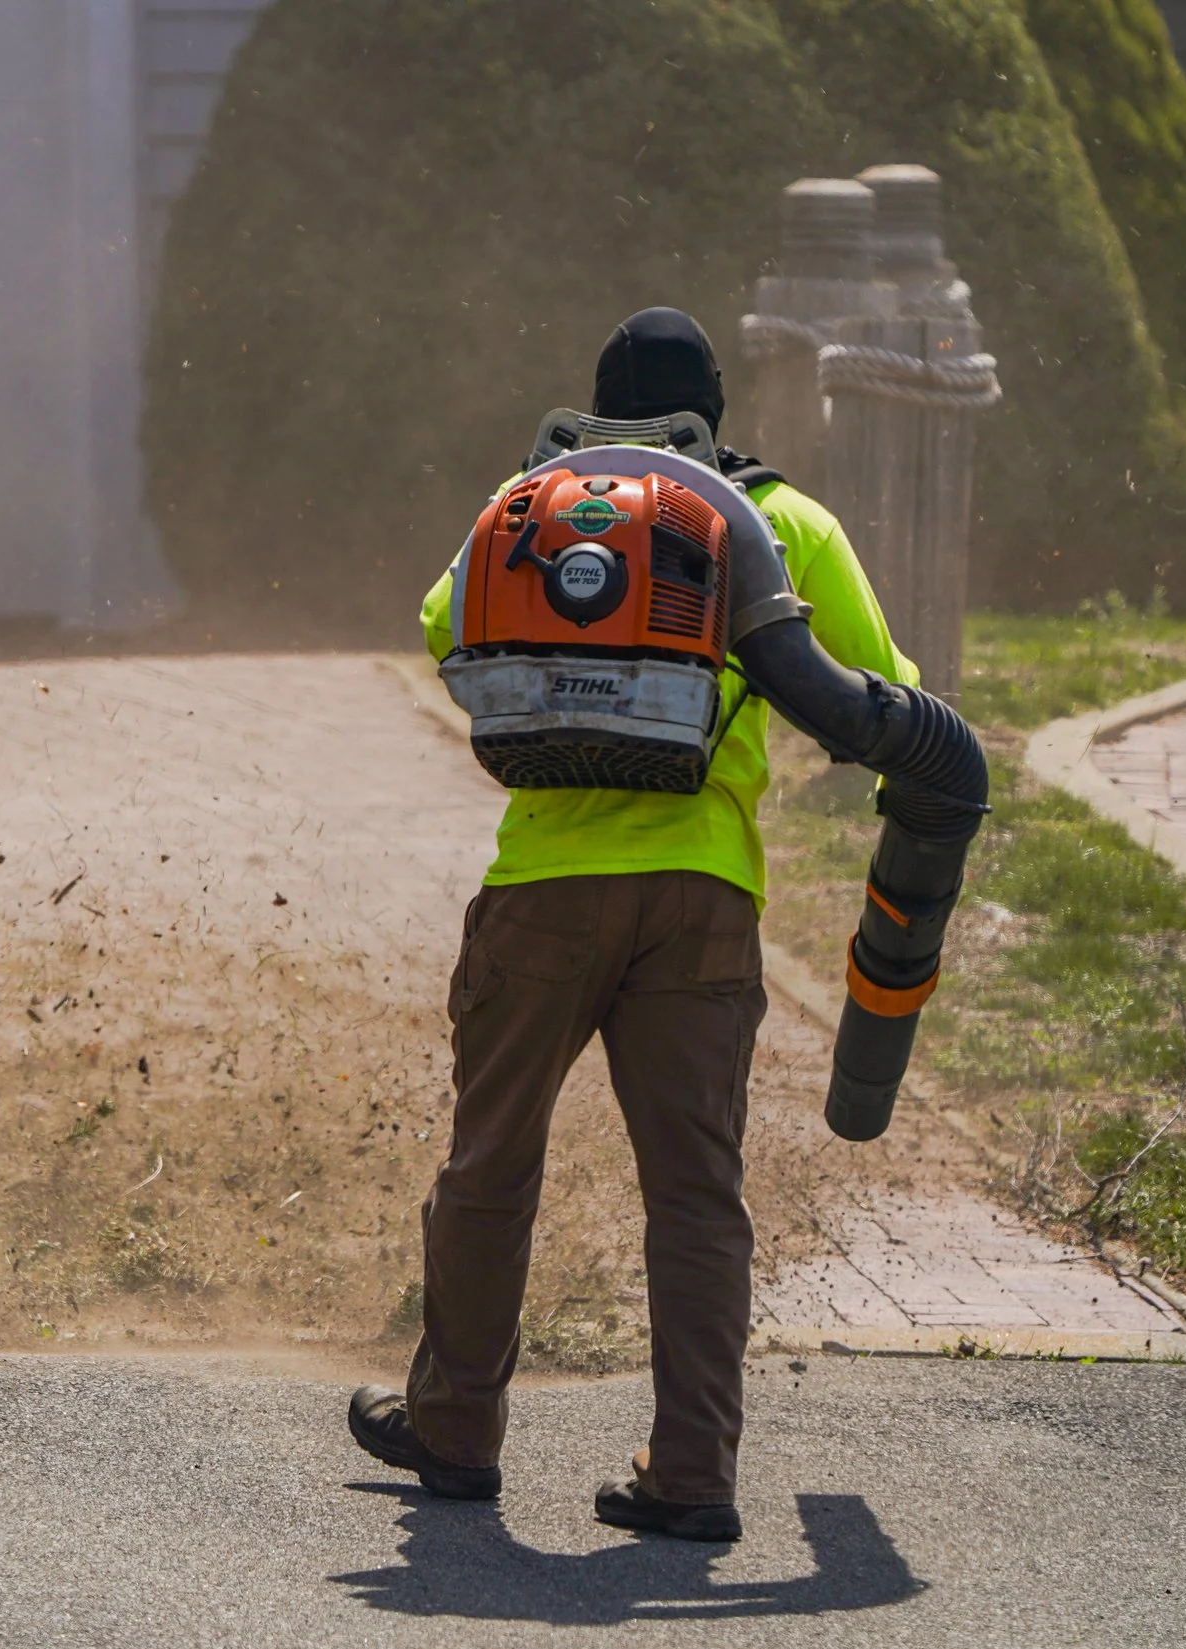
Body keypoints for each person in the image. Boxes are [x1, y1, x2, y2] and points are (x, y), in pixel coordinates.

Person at [347, 307, 915, 1541]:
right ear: (712, 408)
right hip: (705, 894)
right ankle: (692, 1471)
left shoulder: (529, 501)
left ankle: (452, 1428)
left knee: (490, 1165)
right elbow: (886, 700)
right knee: (696, 1194)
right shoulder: (784, 523)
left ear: (595, 403)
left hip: (542, 887)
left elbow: (449, 629)